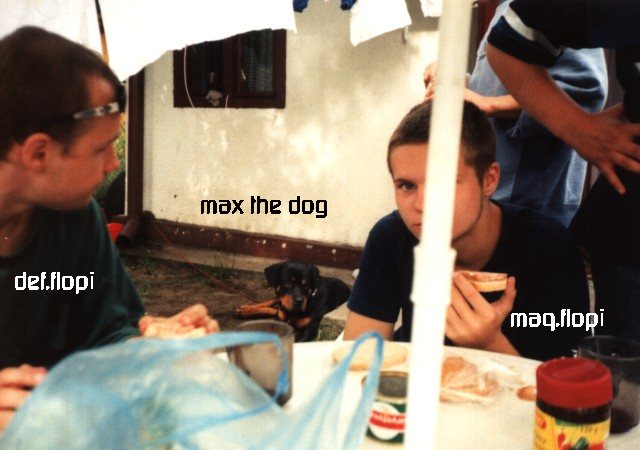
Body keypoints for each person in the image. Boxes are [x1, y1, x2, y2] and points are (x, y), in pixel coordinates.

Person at [0, 26, 219, 433]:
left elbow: (105, 332)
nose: (113, 164)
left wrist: (149, 342)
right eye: (102, 148)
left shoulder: (75, 216)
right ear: (38, 152)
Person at [343, 101, 590, 361]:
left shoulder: (552, 249)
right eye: (406, 185)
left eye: (442, 182)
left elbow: (567, 381)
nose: (421, 205)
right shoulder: (390, 237)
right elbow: (359, 359)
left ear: (489, 180)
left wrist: (489, 343)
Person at [485, 0, 640, 341]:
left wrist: (491, 105)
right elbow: (508, 49)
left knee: (541, 320)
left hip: (539, 200)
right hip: (626, 235)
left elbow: (585, 89)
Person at [423, 0, 607, 227]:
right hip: (499, 190)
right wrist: (458, 82)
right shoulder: (505, 10)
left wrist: (487, 104)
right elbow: (506, 85)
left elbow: (583, 92)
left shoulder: (556, 6)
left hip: (532, 200)